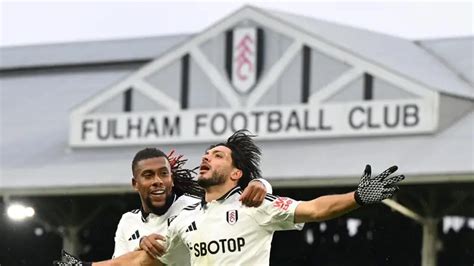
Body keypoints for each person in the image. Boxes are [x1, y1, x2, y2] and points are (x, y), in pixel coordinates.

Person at [58, 129, 404, 266]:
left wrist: (358, 196)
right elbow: (139, 262)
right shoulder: (184, 218)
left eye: (218, 155)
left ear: (237, 173)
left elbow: (314, 209)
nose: (206, 157)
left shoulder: (257, 205)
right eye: (207, 154)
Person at [53, 146, 272, 266]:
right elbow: (123, 264)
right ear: (135, 184)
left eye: (164, 174)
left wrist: (261, 183)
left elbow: (232, 203)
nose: (157, 181)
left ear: (172, 180)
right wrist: (140, 243)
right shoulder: (128, 222)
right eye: (148, 176)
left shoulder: (194, 207)